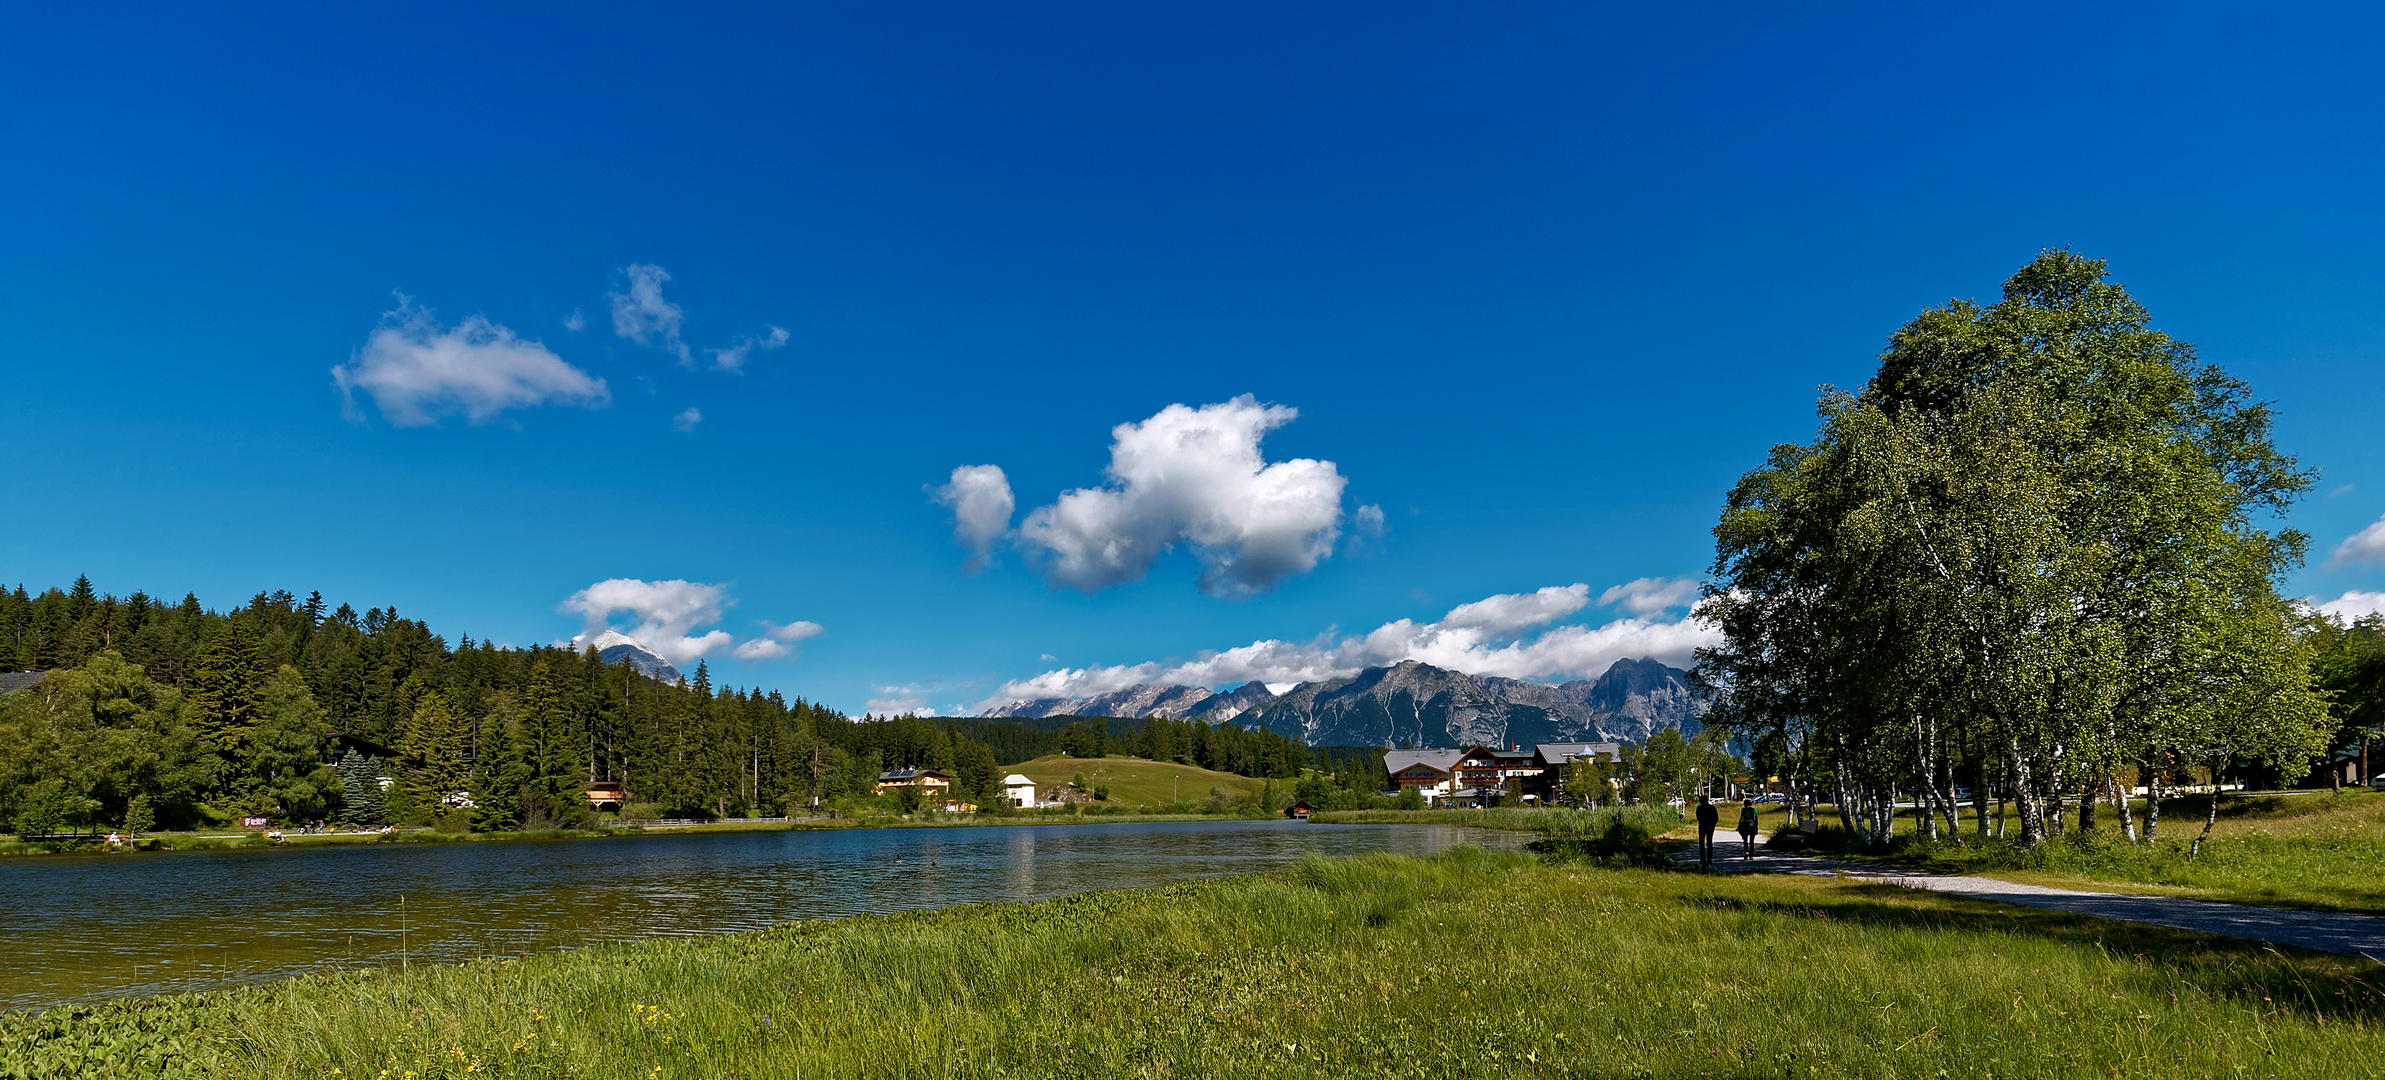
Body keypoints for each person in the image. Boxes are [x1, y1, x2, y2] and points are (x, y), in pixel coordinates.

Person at [1695, 793, 1719, 869]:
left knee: (1702, 843)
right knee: (1709, 842)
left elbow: (1698, 818)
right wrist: (1711, 825)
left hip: (1702, 826)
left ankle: (1703, 859)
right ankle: (1709, 859)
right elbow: (1716, 818)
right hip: (1710, 827)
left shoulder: (1699, 808)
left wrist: (1705, 824)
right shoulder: (1712, 808)